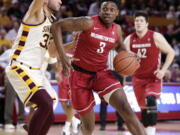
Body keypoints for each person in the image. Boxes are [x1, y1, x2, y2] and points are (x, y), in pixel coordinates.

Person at [51, 0, 146, 135]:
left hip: (102, 73)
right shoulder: (87, 22)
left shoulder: (117, 29)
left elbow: (119, 46)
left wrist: (128, 54)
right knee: (89, 127)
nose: (107, 11)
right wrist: (62, 55)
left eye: (111, 9)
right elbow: (56, 26)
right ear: (100, 11)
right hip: (79, 76)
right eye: (104, 8)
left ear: (117, 13)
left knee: (126, 108)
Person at [5, 0, 69, 135]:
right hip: (20, 66)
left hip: (36, 72)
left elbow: (52, 52)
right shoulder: (35, 14)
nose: (60, 1)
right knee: (45, 104)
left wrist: (76, 42)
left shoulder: (51, 21)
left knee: (50, 114)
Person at [124, 11, 175, 135]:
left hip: (153, 78)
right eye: (136, 21)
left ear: (147, 23)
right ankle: (146, 131)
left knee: (151, 99)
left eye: (141, 21)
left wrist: (163, 70)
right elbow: (123, 59)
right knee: (144, 110)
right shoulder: (129, 39)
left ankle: (151, 132)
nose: (138, 23)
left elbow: (171, 52)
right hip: (137, 79)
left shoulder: (155, 36)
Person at [99, 50, 125, 131]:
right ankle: (104, 125)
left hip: (115, 75)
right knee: (105, 102)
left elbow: (123, 67)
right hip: (107, 74)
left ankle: (118, 125)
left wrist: (123, 79)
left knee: (117, 102)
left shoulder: (117, 52)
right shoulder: (104, 51)